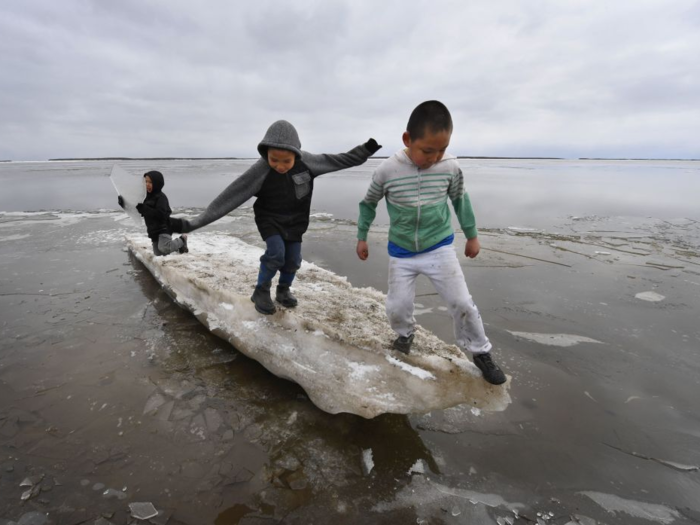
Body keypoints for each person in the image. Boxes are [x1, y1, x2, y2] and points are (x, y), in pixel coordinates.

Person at [355, 101, 506, 385]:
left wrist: (472, 235)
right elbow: (368, 204)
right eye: (428, 150)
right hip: (401, 252)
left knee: (462, 302)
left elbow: (460, 199)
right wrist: (361, 236)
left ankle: (480, 352)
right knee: (397, 307)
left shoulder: (450, 167)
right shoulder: (387, 170)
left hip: (439, 247)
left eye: (442, 149)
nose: (435, 157)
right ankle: (404, 336)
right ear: (407, 140)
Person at [172, 120, 381, 315]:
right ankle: (261, 291)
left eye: (286, 161)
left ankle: (283, 290)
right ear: (266, 154)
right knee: (276, 254)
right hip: (269, 219)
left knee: (293, 260)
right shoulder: (261, 169)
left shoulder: (308, 162)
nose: (280, 166)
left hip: (296, 223)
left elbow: (338, 160)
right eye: (274, 160)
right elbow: (231, 196)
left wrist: (365, 151)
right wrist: (191, 223)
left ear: (296, 155)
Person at [118, 170, 189, 256]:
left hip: (164, 228)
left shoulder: (161, 198)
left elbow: (161, 215)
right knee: (158, 253)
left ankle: (182, 240)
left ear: (157, 184)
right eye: (146, 181)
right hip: (153, 230)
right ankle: (177, 246)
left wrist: (145, 209)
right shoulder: (145, 197)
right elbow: (136, 209)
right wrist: (124, 204)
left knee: (165, 248)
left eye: (150, 182)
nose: (147, 184)